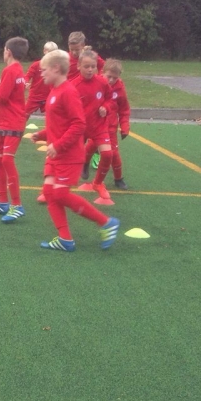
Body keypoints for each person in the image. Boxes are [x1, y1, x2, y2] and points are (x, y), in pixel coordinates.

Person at [31, 50, 119, 251]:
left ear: (56, 68)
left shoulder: (68, 92)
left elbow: (79, 124)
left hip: (68, 155)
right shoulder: (54, 91)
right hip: (55, 155)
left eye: (44, 70)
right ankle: (65, 239)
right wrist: (42, 135)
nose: (41, 73)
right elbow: (59, 124)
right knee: (49, 193)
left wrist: (58, 145)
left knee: (60, 194)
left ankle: (106, 223)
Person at [0, 37, 29, 223]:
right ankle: (2, 202)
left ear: (8, 52)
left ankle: (17, 205)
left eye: (4, 50)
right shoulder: (18, 70)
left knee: (7, 160)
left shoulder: (10, 70)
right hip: (5, 122)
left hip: (12, 122)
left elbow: (2, 96)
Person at [71, 50, 114, 198]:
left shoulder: (102, 82)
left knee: (107, 154)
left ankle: (97, 183)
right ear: (78, 66)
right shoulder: (73, 86)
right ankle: (50, 188)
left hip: (99, 126)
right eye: (86, 66)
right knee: (66, 157)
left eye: (93, 66)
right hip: (80, 128)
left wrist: (106, 107)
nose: (90, 70)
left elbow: (110, 99)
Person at [100, 59, 131, 189]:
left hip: (110, 127)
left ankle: (118, 178)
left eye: (115, 78)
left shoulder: (119, 89)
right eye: (109, 76)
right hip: (95, 126)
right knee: (87, 147)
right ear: (102, 72)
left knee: (113, 154)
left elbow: (124, 110)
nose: (111, 80)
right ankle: (83, 166)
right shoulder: (96, 83)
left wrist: (124, 127)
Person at [24, 41, 59, 117]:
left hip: (48, 96)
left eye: (54, 54)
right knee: (24, 115)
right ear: (44, 51)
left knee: (53, 116)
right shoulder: (36, 65)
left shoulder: (56, 67)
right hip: (34, 96)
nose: (51, 56)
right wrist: (25, 82)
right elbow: (27, 76)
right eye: (49, 53)